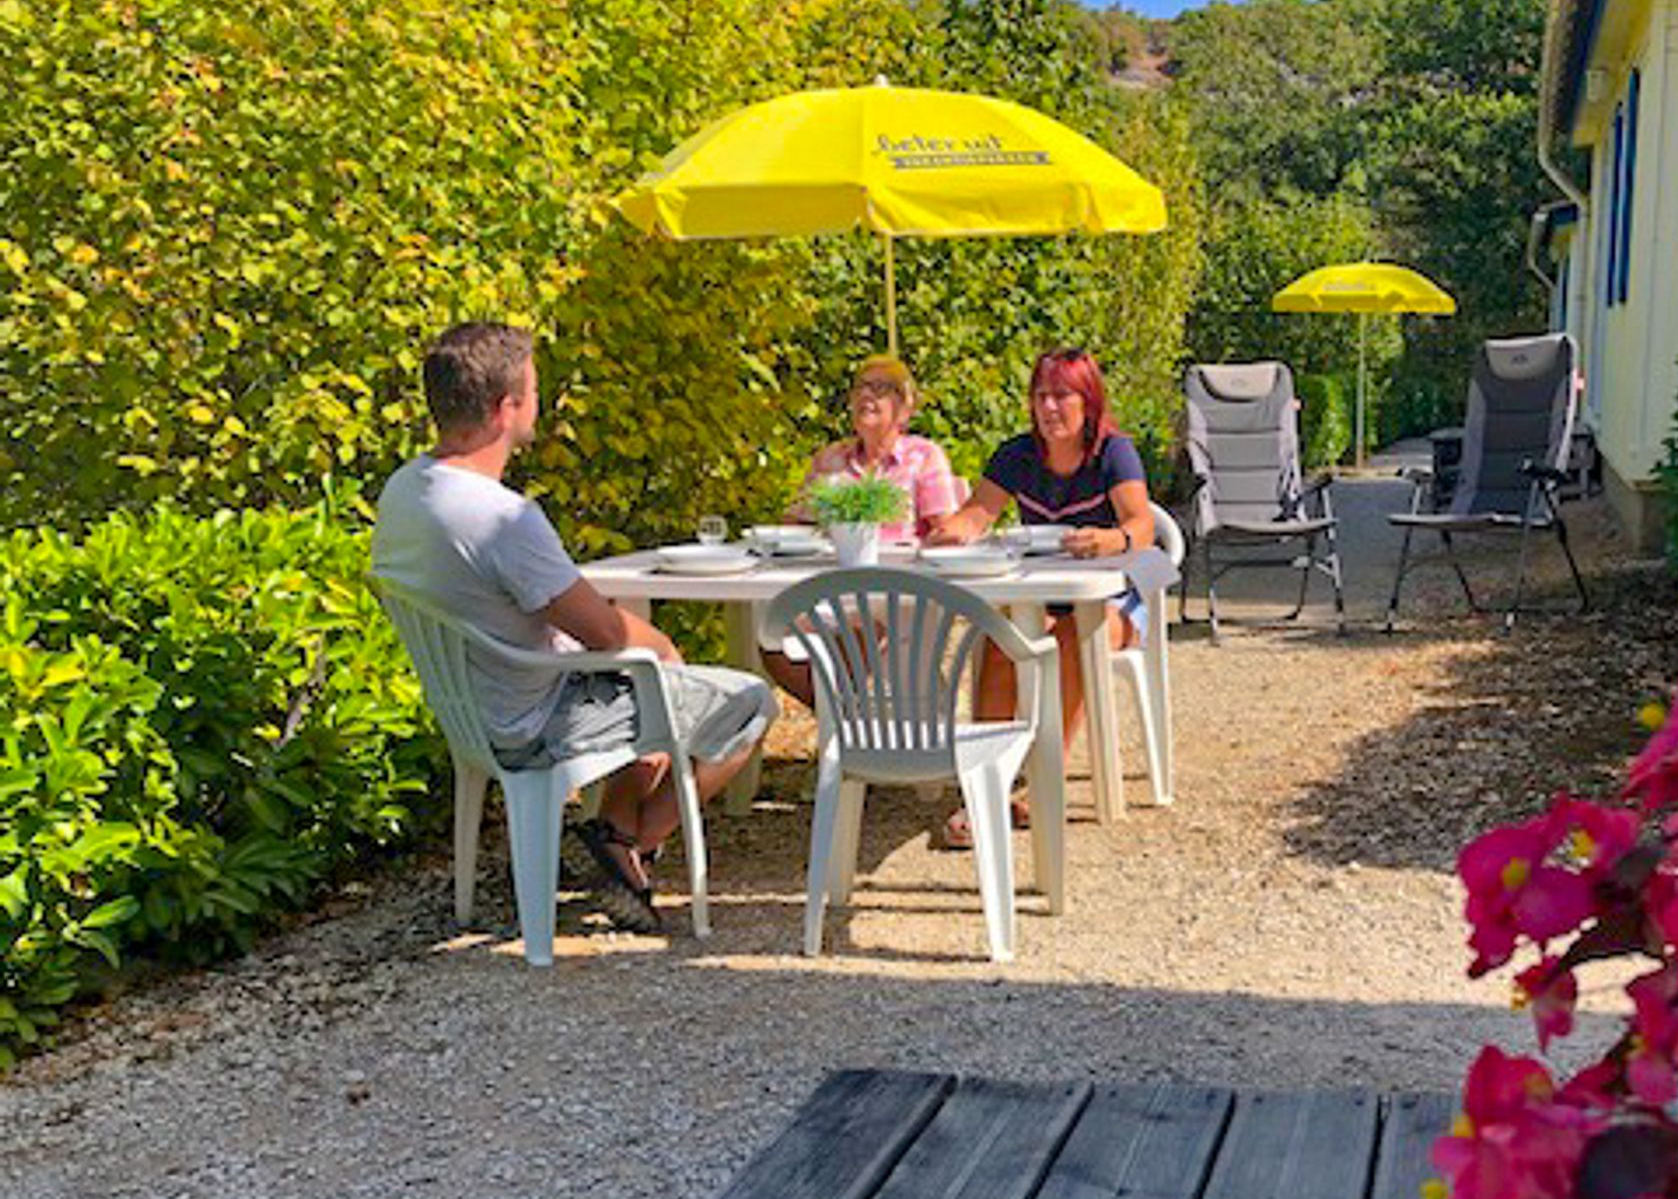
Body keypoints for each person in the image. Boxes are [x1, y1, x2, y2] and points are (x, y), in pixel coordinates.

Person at [373, 322, 776, 926]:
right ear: (505, 408)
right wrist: (663, 646)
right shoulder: (501, 518)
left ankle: (613, 832)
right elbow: (606, 634)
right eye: (534, 390)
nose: (539, 400)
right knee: (748, 701)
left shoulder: (404, 489)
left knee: (652, 687)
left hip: (473, 710)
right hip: (535, 721)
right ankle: (627, 844)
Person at [926, 348, 1154, 849]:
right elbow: (978, 513)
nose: (1049, 407)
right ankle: (987, 784)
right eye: (1041, 395)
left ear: (1088, 401)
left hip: (1114, 602)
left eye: (1062, 396)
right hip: (1043, 597)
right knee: (997, 636)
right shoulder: (1017, 454)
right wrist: (952, 530)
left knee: (1075, 637)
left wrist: (1110, 539)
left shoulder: (1113, 452)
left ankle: (1047, 776)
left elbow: (1142, 524)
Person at [761, 354, 964, 707]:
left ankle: (844, 716)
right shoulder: (830, 460)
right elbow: (792, 527)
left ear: (904, 409)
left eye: (881, 388)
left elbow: (948, 532)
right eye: (861, 387)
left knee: (863, 629)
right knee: (770, 634)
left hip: (901, 593)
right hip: (832, 589)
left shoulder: (923, 456)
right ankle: (842, 714)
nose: (867, 396)